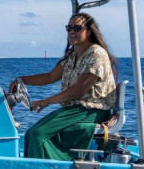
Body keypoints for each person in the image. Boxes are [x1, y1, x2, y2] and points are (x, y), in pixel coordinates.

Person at [9, 13, 118, 160]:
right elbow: (50, 76)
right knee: (35, 133)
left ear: (90, 31)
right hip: (74, 110)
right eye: (69, 28)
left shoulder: (96, 54)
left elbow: (79, 90)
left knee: (36, 133)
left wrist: (46, 101)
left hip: (90, 110)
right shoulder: (72, 55)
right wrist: (21, 80)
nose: (72, 32)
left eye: (77, 28)